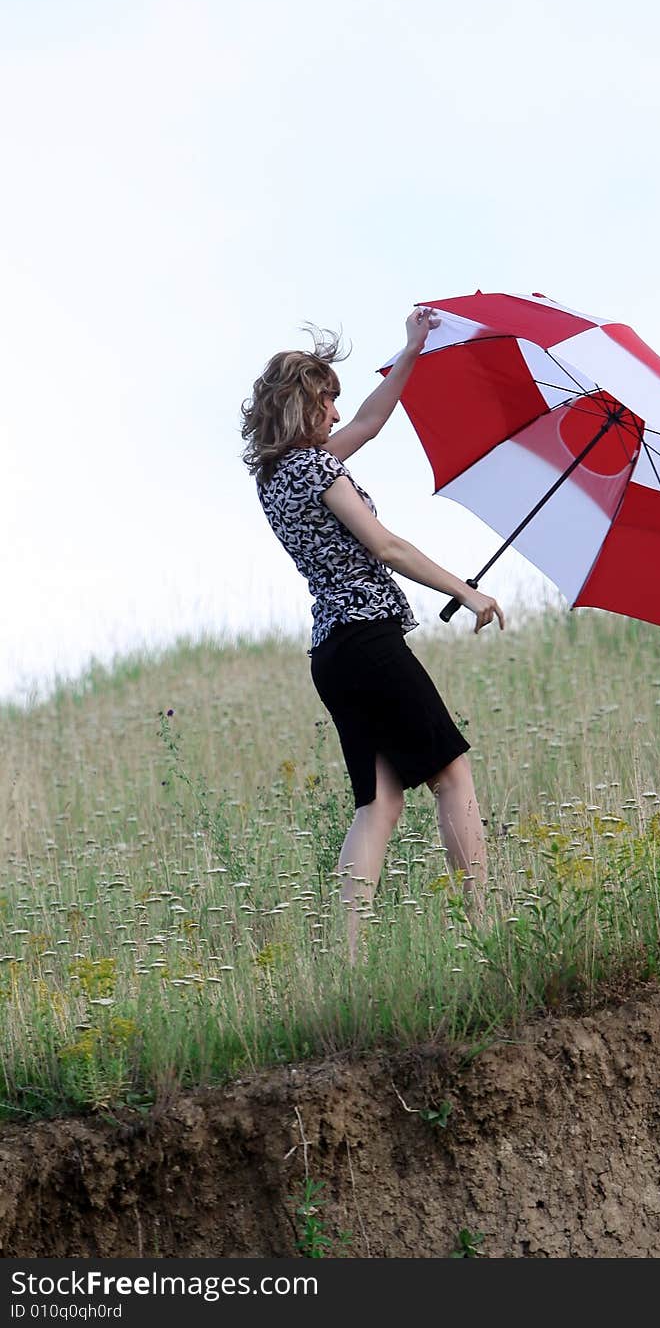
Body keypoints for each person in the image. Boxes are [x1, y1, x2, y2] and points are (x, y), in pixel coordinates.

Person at [240, 308, 505, 961]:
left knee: (379, 804)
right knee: (453, 776)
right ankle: (487, 929)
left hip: (332, 655)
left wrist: (411, 348)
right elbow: (385, 544)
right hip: (367, 638)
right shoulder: (319, 471)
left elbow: (372, 420)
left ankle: (349, 961)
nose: (336, 414)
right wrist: (465, 590)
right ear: (304, 406)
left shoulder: (277, 479)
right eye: (326, 402)